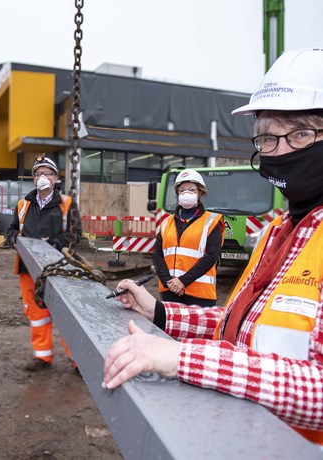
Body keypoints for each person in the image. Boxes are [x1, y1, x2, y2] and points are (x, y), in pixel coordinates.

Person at [102, 47, 323, 445]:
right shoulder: (278, 232)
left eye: (301, 133)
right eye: (268, 138)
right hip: (246, 440)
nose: (281, 150)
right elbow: (237, 327)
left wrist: (182, 359)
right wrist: (158, 312)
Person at [6, 156, 82, 371]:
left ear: (56, 178)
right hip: (27, 269)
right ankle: (42, 356)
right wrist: (13, 239)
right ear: (33, 179)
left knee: (66, 315)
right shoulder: (23, 204)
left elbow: (76, 234)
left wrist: (54, 244)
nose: (42, 177)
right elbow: (12, 229)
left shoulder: (66, 204)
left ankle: (78, 361)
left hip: (58, 268)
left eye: (47, 173)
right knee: (36, 313)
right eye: (38, 173)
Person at [152, 169, 224, 307]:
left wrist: (182, 281)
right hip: (170, 291)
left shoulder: (211, 221)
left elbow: (211, 256)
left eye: (191, 189)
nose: (186, 193)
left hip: (200, 295)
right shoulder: (166, 223)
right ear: (177, 194)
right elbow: (157, 255)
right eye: (181, 190)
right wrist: (169, 282)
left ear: (200, 192)